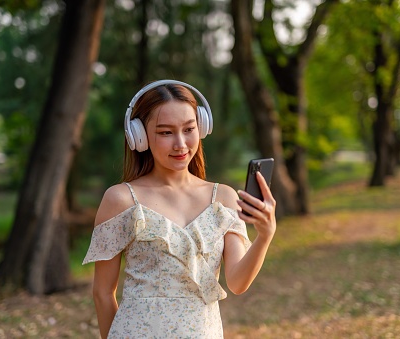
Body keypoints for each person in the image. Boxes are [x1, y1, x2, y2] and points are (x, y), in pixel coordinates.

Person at [83, 80, 276, 339]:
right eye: (165, 132)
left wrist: (264, 236)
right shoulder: (121, 200)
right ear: (139, 136)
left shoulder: (223, 199)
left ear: (202, 128)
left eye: (189, 129)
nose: (181, 144)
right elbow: (103, 293)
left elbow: (238, 283)